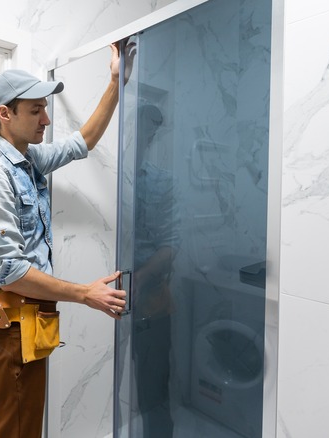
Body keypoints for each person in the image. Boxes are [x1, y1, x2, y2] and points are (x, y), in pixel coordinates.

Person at [0, 42, 133, 437]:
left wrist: (114, 82)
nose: (46, 119)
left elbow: (81, 143)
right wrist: (85, 293)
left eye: (45, 108)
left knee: (3, 425)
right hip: (9, 327)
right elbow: (11, 271)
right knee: (16, 429)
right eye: (36, 110)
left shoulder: (28, 159)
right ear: (5, 114)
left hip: (27, 320)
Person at [130, 104, 179, 437]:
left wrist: (141, 279)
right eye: (141, 128)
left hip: (151, 305)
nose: (145, 136)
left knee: (154, 394)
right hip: (107, 302)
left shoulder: (161, 182)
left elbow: (171, 245)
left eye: (152, 130)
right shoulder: (111, 178)